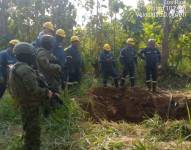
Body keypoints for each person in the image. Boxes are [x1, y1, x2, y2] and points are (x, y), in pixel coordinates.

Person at [8, 42, 53, 150]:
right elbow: (34, 90)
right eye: (31, 54)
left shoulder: (15, 67)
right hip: (30, 105)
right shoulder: (25, 69)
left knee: (29, 131)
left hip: (25, 104)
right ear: (26, 55)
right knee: (33, 134)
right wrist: (47, 93)